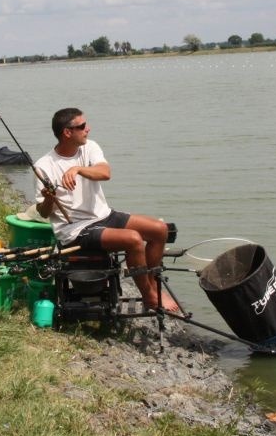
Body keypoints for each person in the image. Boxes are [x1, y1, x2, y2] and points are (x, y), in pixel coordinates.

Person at [33, 108, 181, 313]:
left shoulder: (89, 147)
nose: (88, 129)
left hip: (104, 215)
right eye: (82, 126)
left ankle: (152, 286)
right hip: (75, 230)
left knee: (160, 229)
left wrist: (77, 169)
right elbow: (43, 212)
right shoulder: (43, 166)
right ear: (67, 132)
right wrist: (49, 200)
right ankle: (149, 297)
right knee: (133, 239)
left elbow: (105, 172)